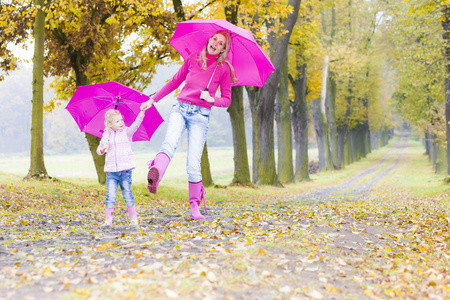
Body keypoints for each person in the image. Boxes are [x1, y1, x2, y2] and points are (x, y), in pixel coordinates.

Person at [140, 30, 237, 220]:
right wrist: (153, 100)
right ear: (209, 39)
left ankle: (195, 208)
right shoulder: (193, 58)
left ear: (223, 49)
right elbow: (175, 82)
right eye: (214, 39)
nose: (215, 43)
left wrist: (211, 99)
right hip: (181, 108)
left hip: (201, 115)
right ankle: (156, 175)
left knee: (193, 163)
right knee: (169, 143)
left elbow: (226, 100)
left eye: (221, 43)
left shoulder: (224, 69)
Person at [97, 108, 146, 227]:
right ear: (109, 124)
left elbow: (135, 125)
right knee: (111, 196)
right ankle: (108, 221)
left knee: (128, 194)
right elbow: (99, 151)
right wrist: (103, 148)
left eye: (121, 120)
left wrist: (141, 113)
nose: (121, 123)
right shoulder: (106, 135)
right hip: (111, 172)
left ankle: (133, 219)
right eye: (117, 121)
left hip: (125, 171)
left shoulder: (127, 132)